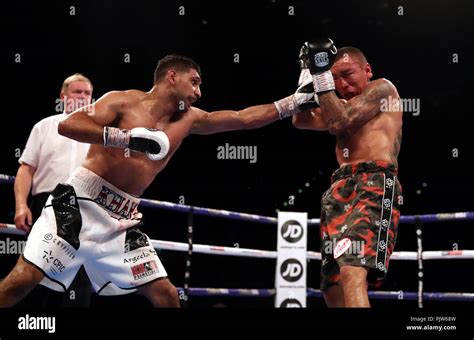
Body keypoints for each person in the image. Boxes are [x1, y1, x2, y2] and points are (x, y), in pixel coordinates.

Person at [0, 54, 314, 307]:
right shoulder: (122, 102)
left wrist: (294, 102)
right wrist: (124, 138)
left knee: (166, 295)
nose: (198, 92)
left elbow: (243, 118)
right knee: (22, 280)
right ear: (171, 77)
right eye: (194, 82)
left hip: (120, 220)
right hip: (77, 204)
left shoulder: (191, 120)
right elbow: (69, 125)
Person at [292, 39, 403, 307]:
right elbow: (300, 119)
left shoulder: (383, 90)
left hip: (374, 182)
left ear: (367, 70)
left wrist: (320, 76)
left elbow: (341, 121)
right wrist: (307, 74)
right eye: (334, 78)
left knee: (353, 272)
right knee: (333, 285)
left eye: (347, 74)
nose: (341, 84)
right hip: (339, 189)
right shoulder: (337, 107)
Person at [14, 73, 94, 307]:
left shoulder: (99, 133)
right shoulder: (45, 126)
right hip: (44, 206)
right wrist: (21, 205)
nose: (82, 97)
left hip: (86, 209)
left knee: (78, 284)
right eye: (77, 92)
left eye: (87, 93)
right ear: (63, 96)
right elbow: (25, 170)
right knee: (34, 276)